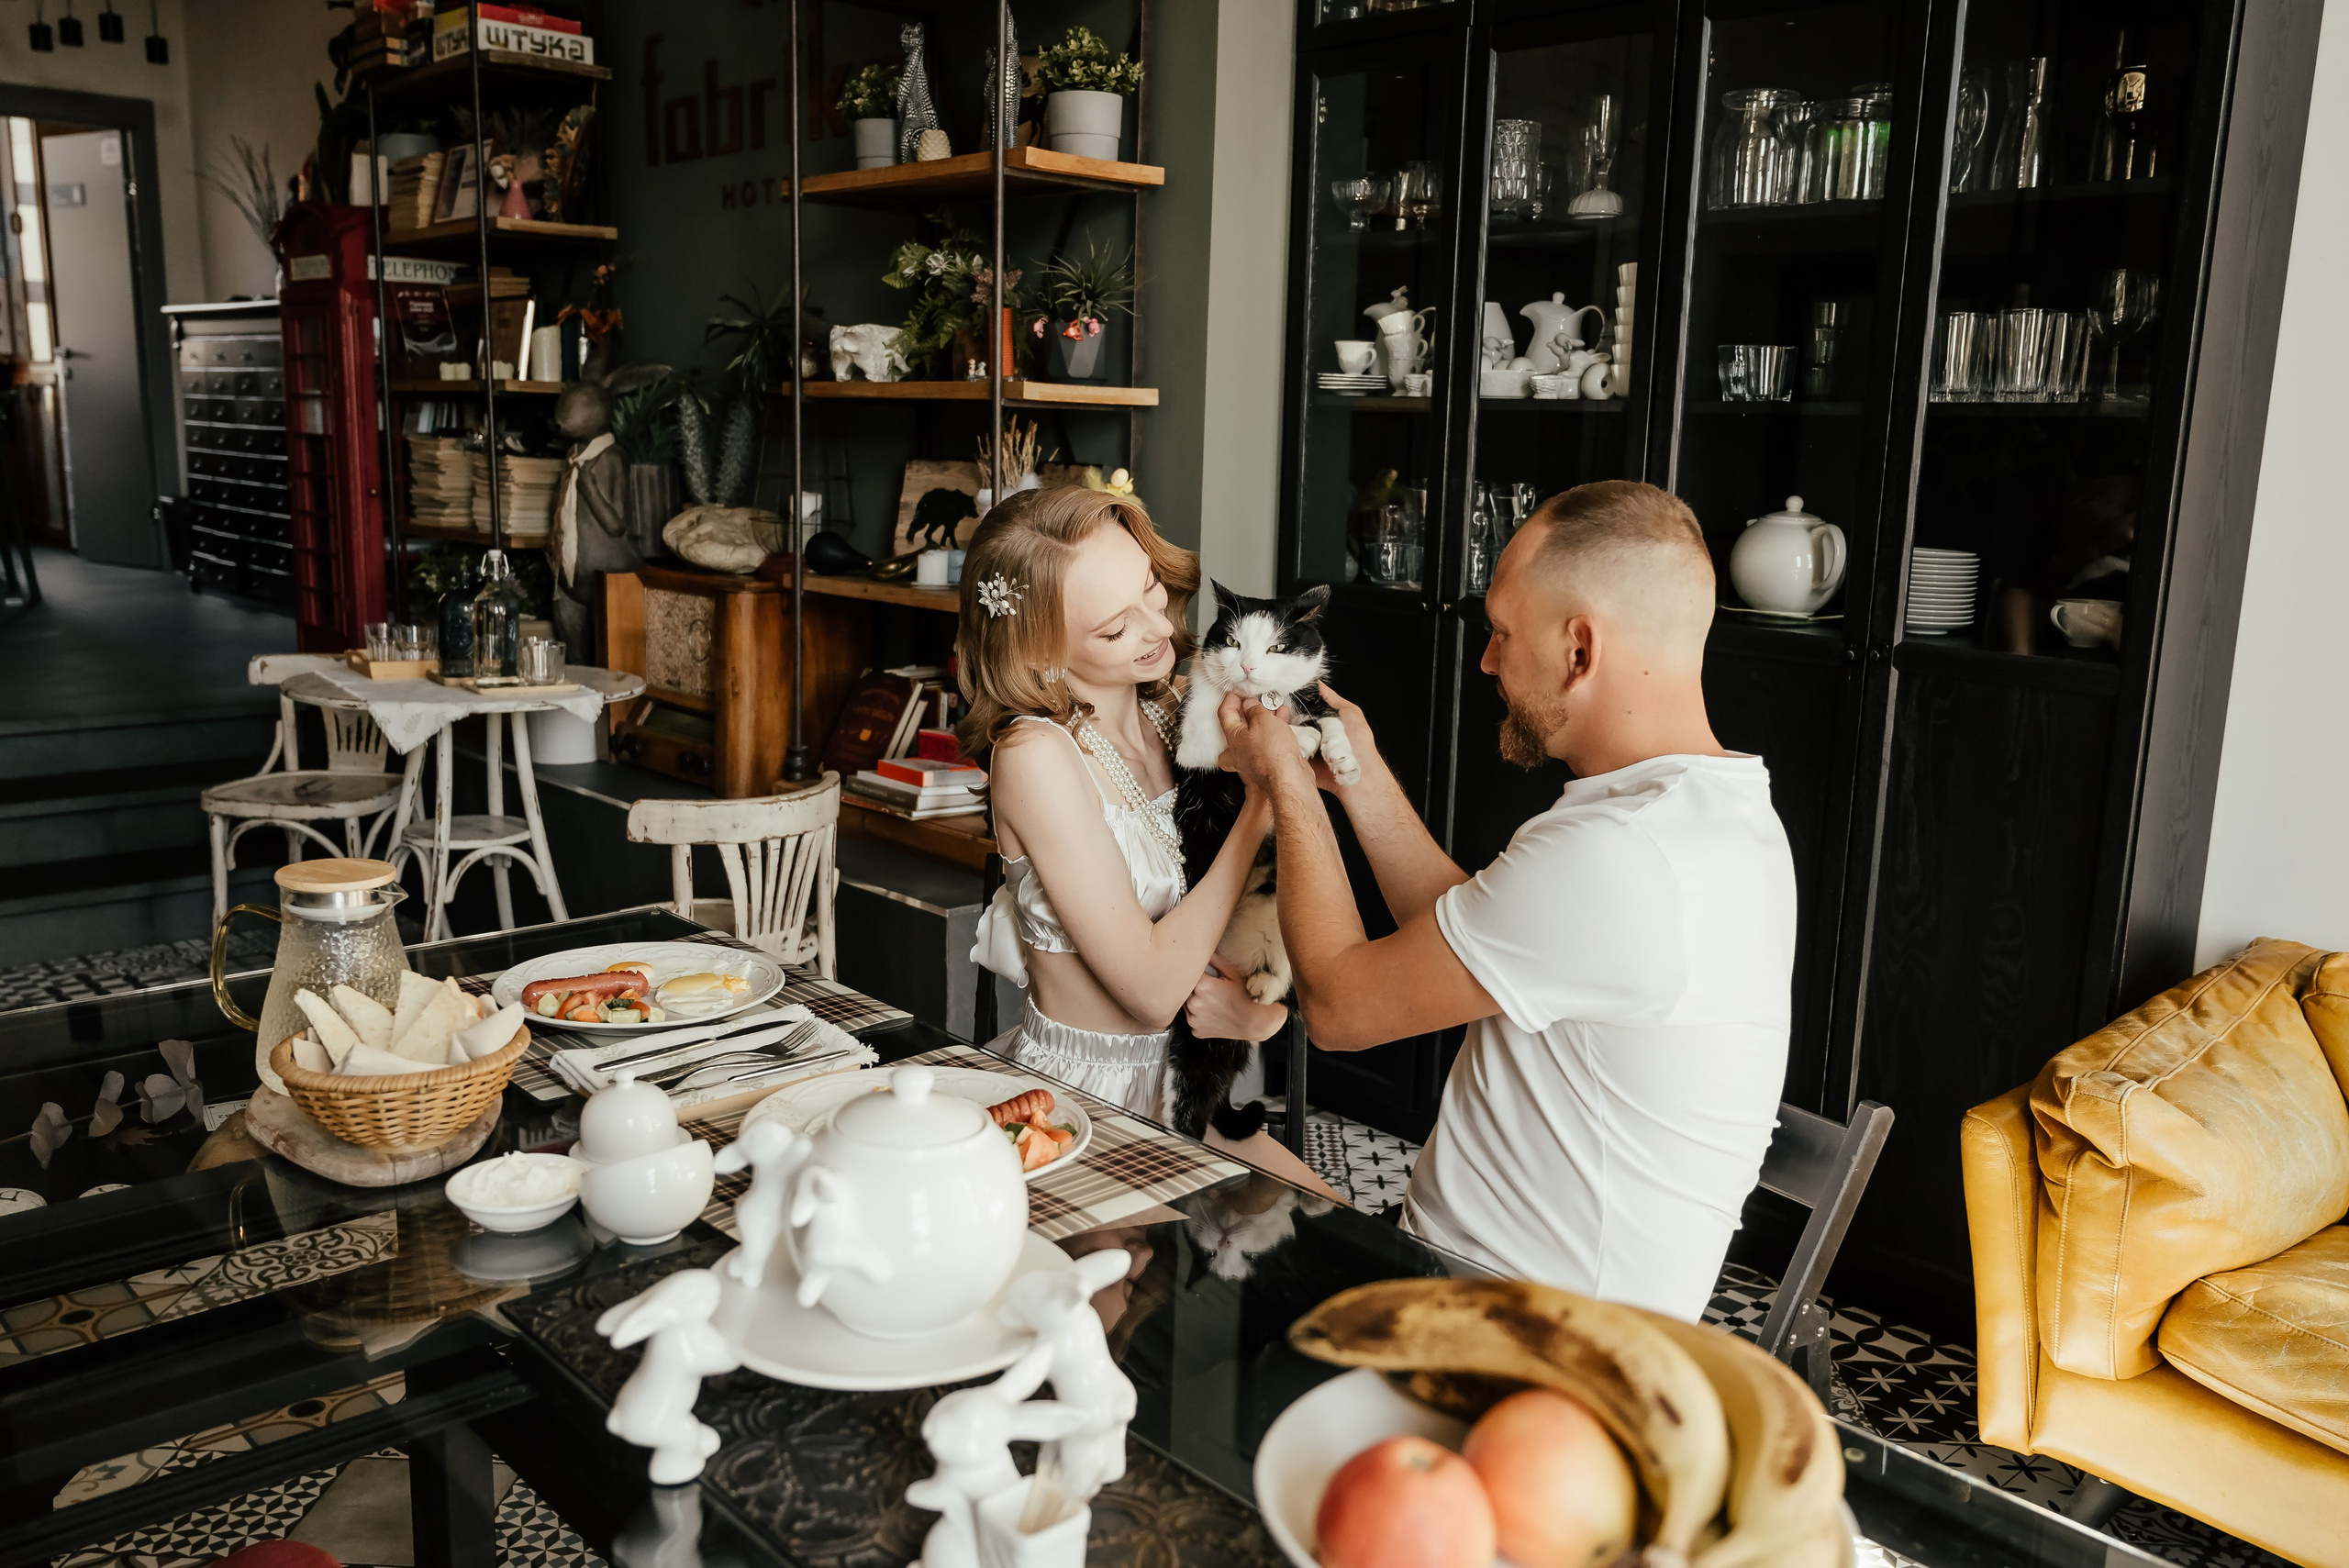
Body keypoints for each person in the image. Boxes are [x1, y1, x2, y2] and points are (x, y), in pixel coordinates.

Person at [1215, 480, 1798, 1321]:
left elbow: (1340, 1007)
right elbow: (1483, 934)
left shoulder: (1620, 856)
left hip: (1521, 1337)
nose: (1486, 660)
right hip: (1470, 1276)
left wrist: (1286, 795)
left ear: (1580, 649)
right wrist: (1355, 775)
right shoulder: (1710, 813)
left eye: (1501, 632)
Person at [958, 484, 1292, 1128]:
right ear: (1039, 652)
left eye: (1150, 587)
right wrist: (1259, 807)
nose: (1161, 626)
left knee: (1324, 1219)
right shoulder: (1035, 755)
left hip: (1192, 1092)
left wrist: (1265, 1012)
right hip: (1087, 1102)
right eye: (1115, 628)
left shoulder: (1174, 709)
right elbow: (1153, 990)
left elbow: (1272, 903)